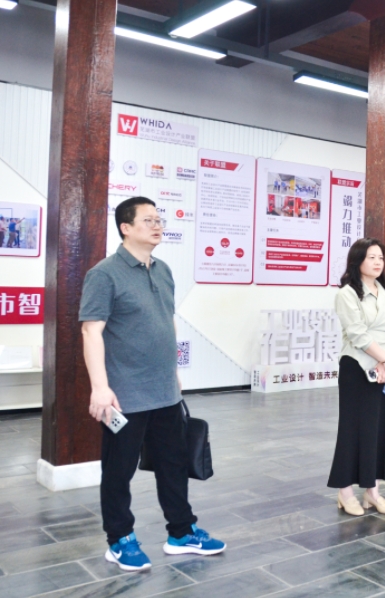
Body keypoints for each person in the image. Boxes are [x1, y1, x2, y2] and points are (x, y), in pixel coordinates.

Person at [79, 196, 225, 572]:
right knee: (119, 470)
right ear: (126, 228)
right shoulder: (104, 274)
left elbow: (167, 321)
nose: (157, 225)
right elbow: (91, 331)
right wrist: (100, 387)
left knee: (173, 464)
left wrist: (173, 371)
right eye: (148, 220)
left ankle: (181, 532)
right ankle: (119, 539)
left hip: (165, 391)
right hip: (125, 394)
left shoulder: (163, 270)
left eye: (159, 220)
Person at [328, 238, 385, 516]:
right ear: (357, 260)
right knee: (353, 430)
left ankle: (373, 492)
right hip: (357, 368)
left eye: (380, 257)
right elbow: (358, 334)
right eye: (371, 257)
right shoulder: (347, 294)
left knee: (378, 431)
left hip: (383, 369)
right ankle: (345, 492)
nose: (377, 262)